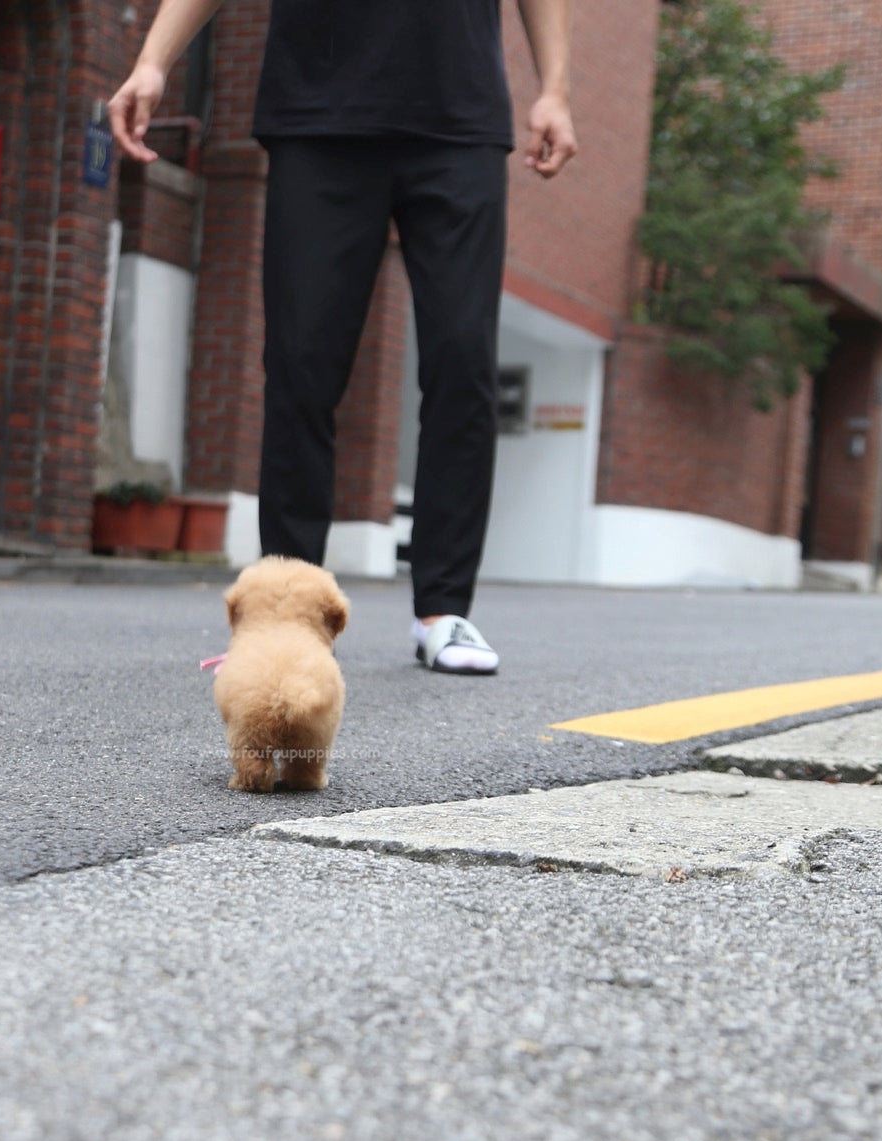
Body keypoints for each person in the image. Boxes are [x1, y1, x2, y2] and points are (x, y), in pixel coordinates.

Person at [110, 0, 576, 674]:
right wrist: (153, 60)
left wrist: (555, 88)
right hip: (318, 113)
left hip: (458, 121)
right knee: (301, 364)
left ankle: (443, 612)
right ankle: (288, 612)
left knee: (462, 362)